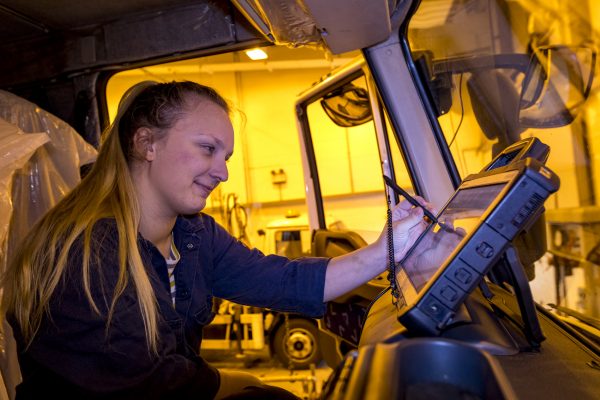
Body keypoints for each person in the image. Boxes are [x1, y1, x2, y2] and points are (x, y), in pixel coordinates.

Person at [0, 81, 429, 399]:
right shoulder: (83, 251)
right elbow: (150, 386)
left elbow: (281, 280)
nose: (222, 173)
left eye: (225, 157)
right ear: (146, 143)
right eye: (208, 149)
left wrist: (387, 250)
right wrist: (243, 381)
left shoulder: (195, 235)